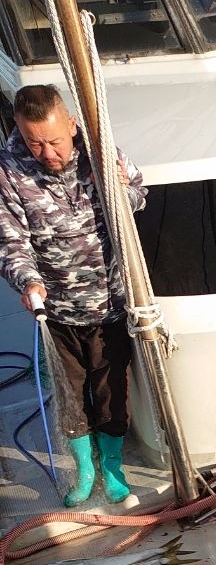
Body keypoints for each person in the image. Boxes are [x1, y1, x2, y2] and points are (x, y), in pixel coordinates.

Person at [0, 83, 147, 506]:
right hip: (57, 310)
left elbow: (139, 196)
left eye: (55, 142)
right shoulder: (8, 170)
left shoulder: (101, 151)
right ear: (19, 131)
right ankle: (84, 468)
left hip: (110, 301)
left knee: (109, 387)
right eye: (35, 143)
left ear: (72, 125)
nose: (48, 154)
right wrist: (28, 282)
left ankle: (113, 465)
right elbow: (11, 241)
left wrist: (123, 189)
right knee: (69, 391)